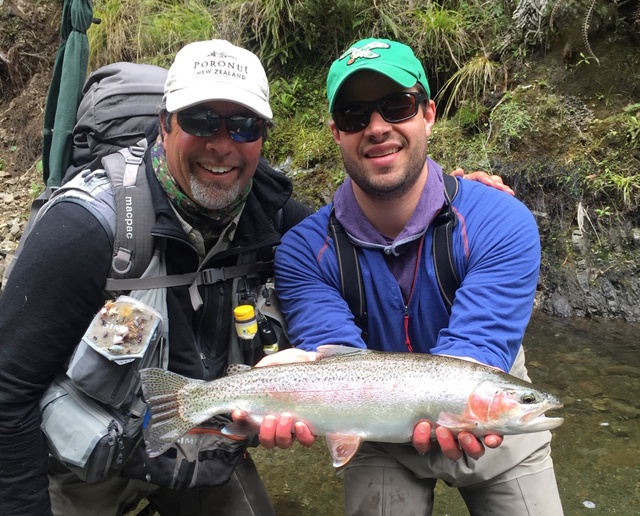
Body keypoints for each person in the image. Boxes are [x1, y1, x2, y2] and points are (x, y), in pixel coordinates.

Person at [0, 39, 311, 516]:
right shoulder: (86, 229)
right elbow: (7, 392)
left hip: (195, 452)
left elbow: (363, 244)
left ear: (262, 137)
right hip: (81, 466)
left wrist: (458, 200)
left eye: (244, 125)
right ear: (164, 124)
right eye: (200, 119)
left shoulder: (274, 217)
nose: (223, 143)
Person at [256, 38, 564, 515]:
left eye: (396, 106)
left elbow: (477, 350)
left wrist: (473, 403)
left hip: (489, 421)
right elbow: (333, 358)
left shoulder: (501, 220)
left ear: (428, 114)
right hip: (373, 428)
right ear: (337, 132)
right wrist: (288, 382)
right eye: (357, 116)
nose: (378, 128)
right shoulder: (303, 250)